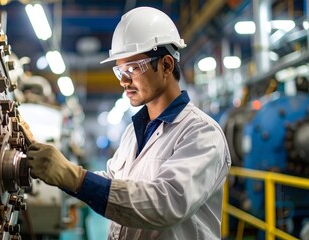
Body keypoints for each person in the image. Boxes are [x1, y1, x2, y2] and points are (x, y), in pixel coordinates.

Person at [26, 6, 231, 239]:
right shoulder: (133, 133)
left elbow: (165, 204)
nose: (123, 81)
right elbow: (114, 182)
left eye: (133, 68)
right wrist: (62, 173)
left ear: (166, 65)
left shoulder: (202, 133)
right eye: (119, 70)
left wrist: (74, 178)